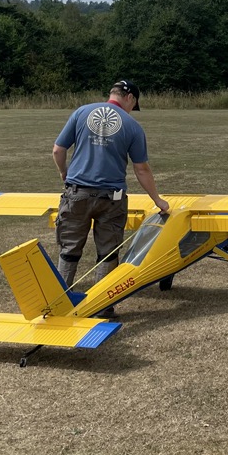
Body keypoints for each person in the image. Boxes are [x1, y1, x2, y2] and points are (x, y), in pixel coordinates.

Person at [51, 80, 170, 301]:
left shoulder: (81, 113)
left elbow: (58, 150)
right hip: (111, 198)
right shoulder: (133, 126)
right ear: (130, 98)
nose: (132, 109)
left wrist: (63, 172)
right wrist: (157, 200)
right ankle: (102, 305)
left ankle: (59, 303)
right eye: (133, 105)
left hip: (77, 193)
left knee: (69, 249)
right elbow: (141, 169)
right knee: (108, 252)